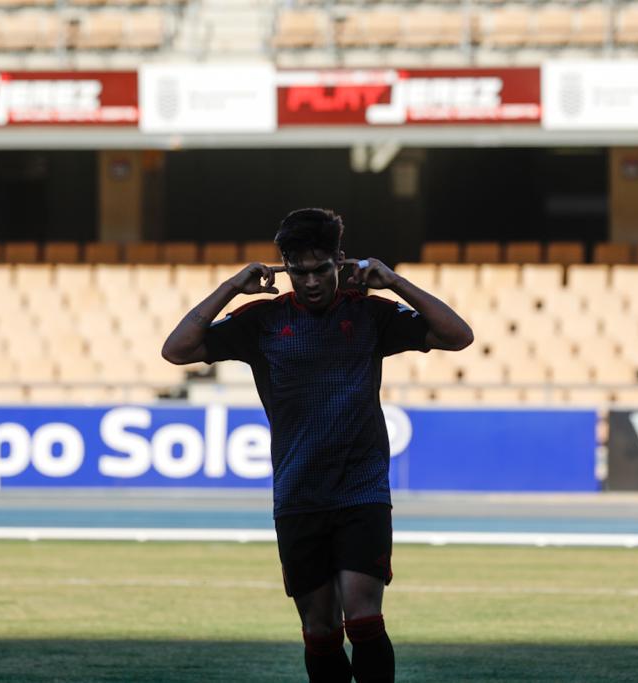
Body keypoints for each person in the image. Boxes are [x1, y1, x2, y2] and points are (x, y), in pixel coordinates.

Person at [162, 208, 473, 683]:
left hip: (361, 490)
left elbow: (459, 336)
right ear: (285, 268)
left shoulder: (369, 313)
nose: (310, 282)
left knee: (364, 618)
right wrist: (230, 287)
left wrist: (392, 280)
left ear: (339, 262)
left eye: (320, 270)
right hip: (298, 493)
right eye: (300, 272)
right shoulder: (261, 320)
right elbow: (177, 349)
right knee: (319, 628)